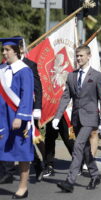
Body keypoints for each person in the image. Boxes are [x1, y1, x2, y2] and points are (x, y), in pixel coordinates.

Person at [54, 45, 101, 192]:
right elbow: (66, 97)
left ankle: (70, 181)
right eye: (77, 56)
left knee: (78, 145)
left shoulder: (97, 76)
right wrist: (57, 116)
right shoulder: (71, 75)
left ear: (89, 56)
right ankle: (95, 175)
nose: (78, 58)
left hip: (91, 118)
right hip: (77, 118)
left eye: (81, 56)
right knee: (84, 149)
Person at [0, 37, 34, 198]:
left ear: (16, 51)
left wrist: (20, 116)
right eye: (3, 50)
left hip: (18, 117)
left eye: (7, 50)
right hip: (2, 117)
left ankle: (23, 187)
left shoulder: (24, 70)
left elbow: (27, 95)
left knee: (22, 153)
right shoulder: (1, 69)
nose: (4, 53)